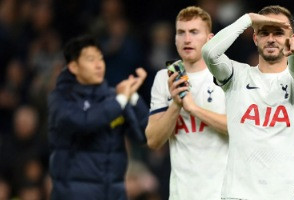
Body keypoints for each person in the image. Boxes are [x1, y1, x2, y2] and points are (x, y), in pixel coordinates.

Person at [202, 5, 294, 199]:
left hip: (284, 194)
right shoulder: (237, 76)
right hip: (238, 194)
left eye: (279, 33)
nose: (271, 39)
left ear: (293, 39)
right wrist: (247, 19)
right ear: (255, 38)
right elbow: (209, 53)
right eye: (264, 33)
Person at [47, 35, 148, 200]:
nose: (99, 64)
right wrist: (121, 100)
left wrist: (134, 98)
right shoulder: (61, 99)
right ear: (73, 66)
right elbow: (84, 122)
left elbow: (144, 135)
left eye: (101, 58)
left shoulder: (113, 98)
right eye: (90, 59)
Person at [145, 6, 228, 200]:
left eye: (194, 32)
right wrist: (176, 105)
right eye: (181, 32)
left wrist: (193, 109)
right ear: (174, 39)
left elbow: (239, 128)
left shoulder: (227, 74)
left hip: (223, 193)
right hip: (182, 193)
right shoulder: (164, 77)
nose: (187, 39)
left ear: (210, 39)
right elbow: (154, 140)